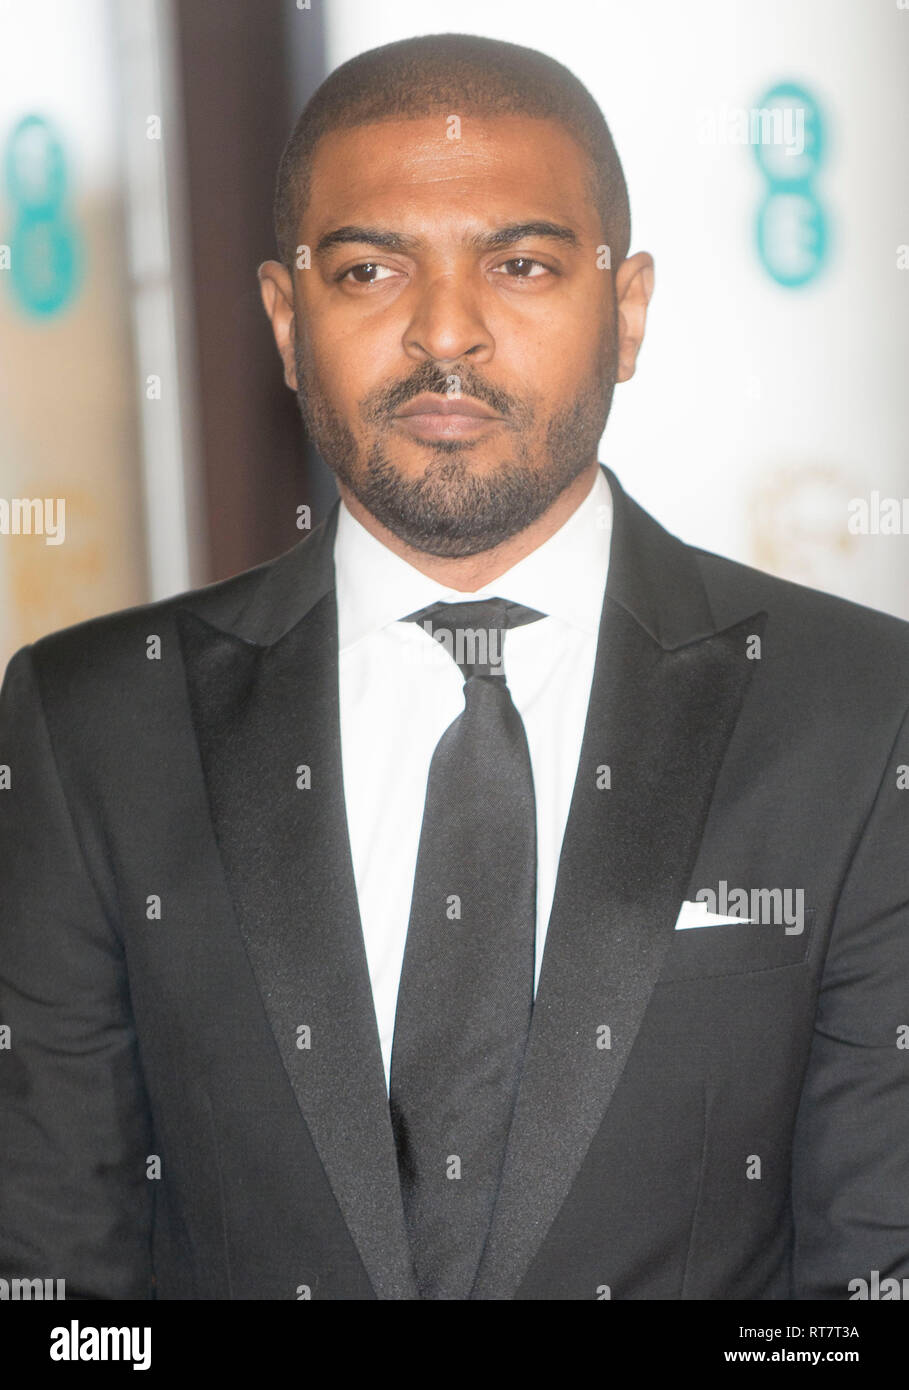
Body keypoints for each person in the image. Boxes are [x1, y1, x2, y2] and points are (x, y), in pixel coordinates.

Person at [1, 32, 907, 1302]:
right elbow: (57, 1281)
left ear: (627, 310)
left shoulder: (860, 713)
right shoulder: (90, 722)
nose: (445, 333)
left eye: (522, 265)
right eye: (370, 268)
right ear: (283, 317)